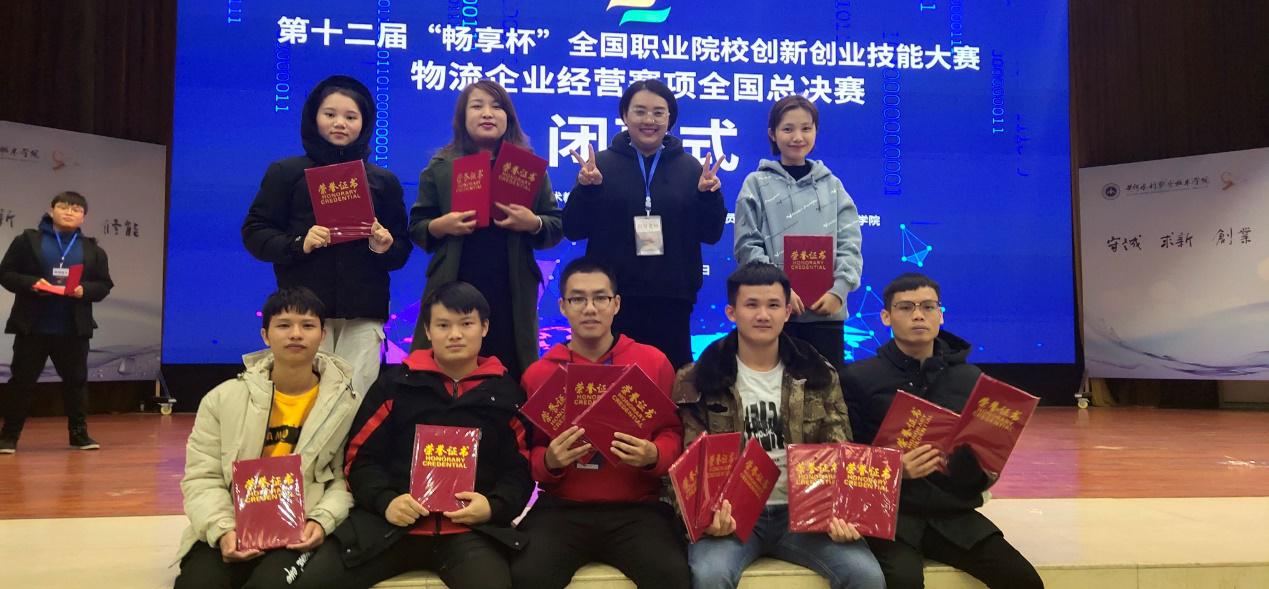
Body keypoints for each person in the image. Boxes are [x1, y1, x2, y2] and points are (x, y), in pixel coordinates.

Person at [294, 281, 533, 589]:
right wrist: (386, 501)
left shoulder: (506, 394)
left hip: (470, 533)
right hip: (390, 525)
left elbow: (519, 471)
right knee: (313, 582)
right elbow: (359, 458)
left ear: (484, 327)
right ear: (428, 331)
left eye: (466, 324)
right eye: (443, 325)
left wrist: (492, 506)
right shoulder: (395, 385)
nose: (455, 334)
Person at [673, 262, 883, 589]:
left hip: (806, 516)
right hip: (731, 516)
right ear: (731, 312)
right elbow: (687, 461)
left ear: (787, 312)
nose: (763, 315)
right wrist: (705, 517)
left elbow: (840, 445)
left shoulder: (817, 372)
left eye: (773, 305)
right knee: (710, 575)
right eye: (751, 305)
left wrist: (844, 511)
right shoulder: (697, 378)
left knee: (866, 575)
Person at [840, 272, 1044, 589]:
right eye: (905, 307)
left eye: (928, 306)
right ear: (885, 317)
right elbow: (843, 454)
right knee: (903, 580)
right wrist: (896, 469)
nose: (918, 315)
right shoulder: (859, 378)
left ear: (941, 314)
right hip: (890, 514)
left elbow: (979, 475)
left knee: (1023, 579)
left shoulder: (969, 379)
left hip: (951, 515)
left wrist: (979, 463)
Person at [512, 256, 688, 589]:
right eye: (578, 299)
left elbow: (673, 432)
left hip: (637, 510)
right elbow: (526, 451)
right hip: (562, 509)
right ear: (563, 306)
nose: (590, 308)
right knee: (525, 575)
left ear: (616, 304)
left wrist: (653, 455)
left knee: (673, 576)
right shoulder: (539, 374)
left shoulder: (652, 363)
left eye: (600, 298)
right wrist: (549, 461)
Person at [174, 287, 361, 589]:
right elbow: (202, 477)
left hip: (300, 529)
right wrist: (223, 530)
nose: (296, 334)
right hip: (233, 524)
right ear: (265, 335)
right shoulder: (222, 399)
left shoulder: (348, 405)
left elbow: (345, 480)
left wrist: (321, 521)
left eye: (307, 325)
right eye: (284, 325)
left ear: (322, 335)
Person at [242, 74, 411, 396]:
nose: (340, 123)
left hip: (363, 312)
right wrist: (298, 244)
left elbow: (401, 249)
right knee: (303, 399)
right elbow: (255, 232)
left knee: (354, 399)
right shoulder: (286, 173)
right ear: (313, 117)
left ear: (364, 123)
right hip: (302, 312)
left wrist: (383, 247)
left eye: (351, 117)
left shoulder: (383, 181)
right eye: (330, 114)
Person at [563, 79, 727, 369]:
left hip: (673, 298)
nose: (649, 120)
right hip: (613, 300)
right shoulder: (600, 165)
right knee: (615, 382)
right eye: (639, 111)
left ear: (670, 118)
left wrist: (708, 197)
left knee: (671, 379)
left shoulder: (691, 168)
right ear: (625, 115)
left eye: (658, 112)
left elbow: (711, 234)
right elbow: (573, 228)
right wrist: (587, 190)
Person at [409, 80, 563, 380]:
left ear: (509, 118)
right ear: (463, 117)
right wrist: (441, 226)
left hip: (511, 285)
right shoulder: (441, 166)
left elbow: (555, 225)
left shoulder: (526, 167)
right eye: (477, 106)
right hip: (454, 279)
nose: (487, 113)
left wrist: (533, 223)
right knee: (448, 365)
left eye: (497, 107)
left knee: (510, 364)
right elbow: (417, 226)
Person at [734, 95, 862, 369]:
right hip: (774, 315)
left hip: (826, 314)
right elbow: (747, 245)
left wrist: (839, 291)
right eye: (788, 129)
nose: (797, 137)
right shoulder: (755, 184)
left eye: (806, 128)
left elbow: (850, 243)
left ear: (816, 131)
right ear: (773, 133)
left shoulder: (833, 185)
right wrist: (778, 292)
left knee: (826, 390)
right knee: (775, 386)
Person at [0, 191, 113, 453]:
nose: (70, 212)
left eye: (76, 209)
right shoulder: (28, 241)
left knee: (76, 383)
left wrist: (84, 290)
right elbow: (5, 273)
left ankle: (79, 435)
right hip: (32, 327)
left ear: (83, 217)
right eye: (64, 207)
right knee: (21, 382)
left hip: (73, 329)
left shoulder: (92, 249)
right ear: (52, 211)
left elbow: (104, 284)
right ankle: (8, 437)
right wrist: (31, 283)